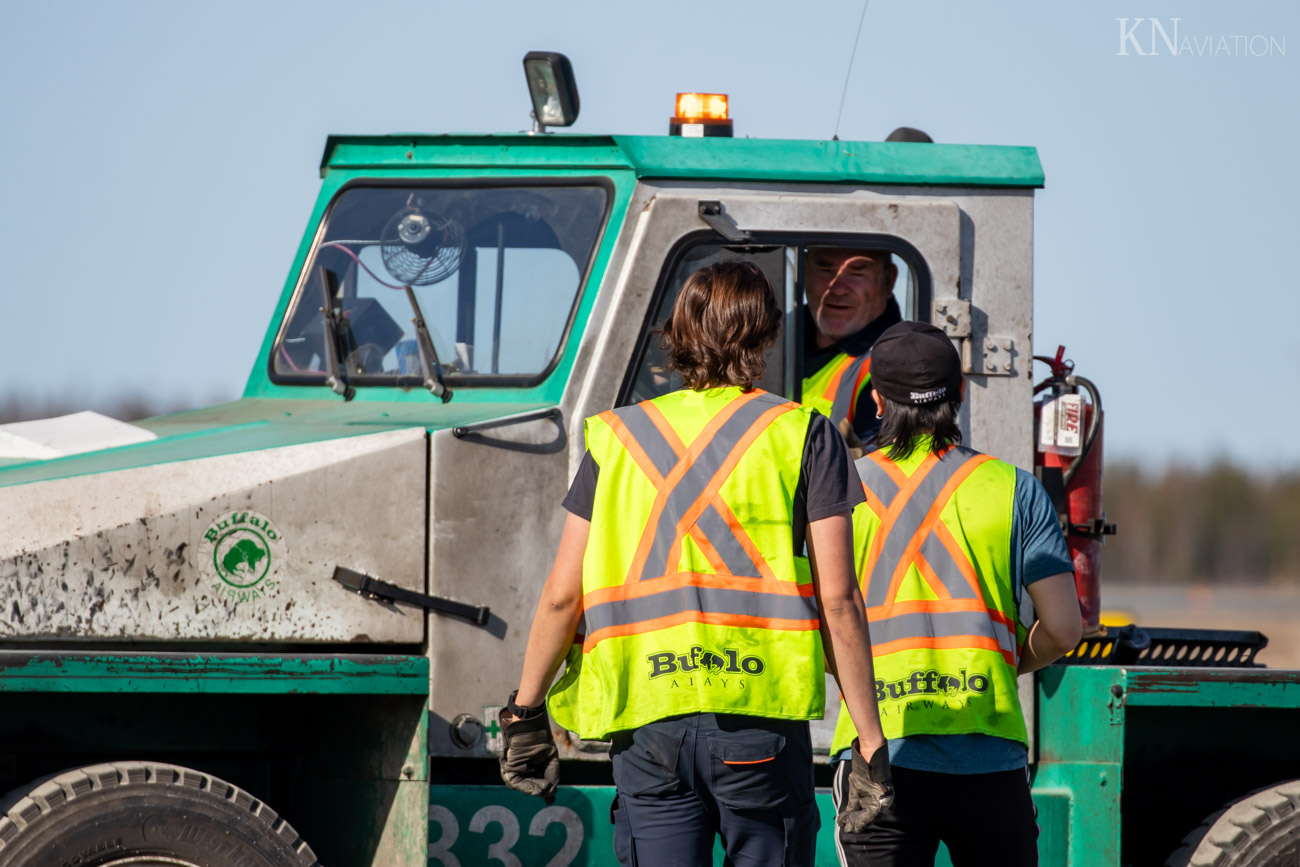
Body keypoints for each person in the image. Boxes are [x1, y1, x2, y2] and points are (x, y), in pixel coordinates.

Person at [499, 260, 892, 867]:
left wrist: (525, 711)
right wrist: (868, 743)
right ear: (765, 336)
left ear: (678, 334)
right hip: (758, 722)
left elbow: (561, 596)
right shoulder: (802, 434)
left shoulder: (618, 437)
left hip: (648, 721)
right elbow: (838, 600)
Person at [830, 321, 1083, 867]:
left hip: (881, 757)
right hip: (989, 761)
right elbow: (1064, 628)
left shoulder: (842, 490)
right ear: (961, 394)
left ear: (877, 399)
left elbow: (824, 620)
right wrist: (996, 662)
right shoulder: (1015, 489)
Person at [802, 247, 903, 448]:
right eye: (825, 269)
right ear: (803, 272)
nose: (838, 288)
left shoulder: (900, 362)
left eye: (857, 272)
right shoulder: (769, 336)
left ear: (889, 280)